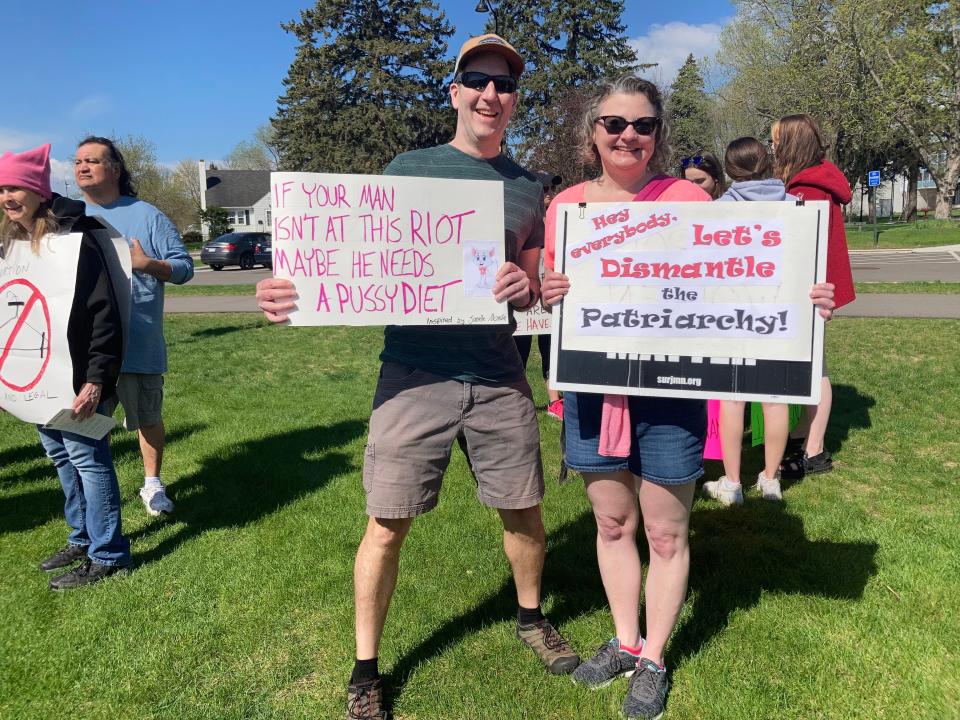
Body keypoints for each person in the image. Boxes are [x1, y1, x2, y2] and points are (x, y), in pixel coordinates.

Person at [256, 34, 580, 720]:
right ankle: (366, 669)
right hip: (414, 375)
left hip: (497, 374)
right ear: (456, 91)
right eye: (478, 80)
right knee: (386, 524)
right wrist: (289, 292)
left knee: (523, 510)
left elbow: (534, 287)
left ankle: (529, 618)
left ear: (515, 101)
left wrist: (528, 284)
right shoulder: (409, 167)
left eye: (505, 85)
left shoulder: (528, 186)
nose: (492, 94)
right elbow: (356, 255)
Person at [540, 78, 836, 720]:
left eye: (643, 125)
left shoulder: (685, 200)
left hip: (672, 392)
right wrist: (549, 290)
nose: (627, 136)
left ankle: (654, 656)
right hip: (595, 389)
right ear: (592, 132)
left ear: (658, 135)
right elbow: (550, 294)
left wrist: (804, 301)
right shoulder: (566, 205)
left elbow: (742, 274)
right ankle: (623, 639)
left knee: (667, 533)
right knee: (613, 524)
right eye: (614, 123)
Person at [0, 144, 131, 589]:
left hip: (78, 377)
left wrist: (96, 380)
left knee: (88, 459)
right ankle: (81, 537)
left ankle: (108, 554)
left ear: (38, 189)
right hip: (36, 377)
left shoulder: (77, 235)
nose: (6, 196)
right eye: (0, 188)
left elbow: (104, 315)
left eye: (14, 186)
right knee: (59, 455)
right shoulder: (13, 241)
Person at [74, 136, 194, 516]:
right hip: (87, 347)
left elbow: (184, 268)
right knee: (90, 426)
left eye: (92, 160)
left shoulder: (147, 215)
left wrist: (148, 265)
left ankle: (152, 485)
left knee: (147, 418)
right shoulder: (69, 217)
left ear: (115, 168)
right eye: (77, 161)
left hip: (138, 342)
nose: (82, 167)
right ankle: (98, 493)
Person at [702, 136, 797, 506]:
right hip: (779, 314)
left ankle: (732, 482)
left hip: (731, 315)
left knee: (732, 398)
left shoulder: (719, 209)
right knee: (775, 398)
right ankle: (771, 480)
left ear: (729, 170)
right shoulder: (795, 206)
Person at [770, 114, 855, 479]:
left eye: (776, 141)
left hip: (811, 292)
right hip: (814, 288)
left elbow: (805, 247)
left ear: (790, 144)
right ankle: (804, 435)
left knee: (815, 368)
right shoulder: (813, 183)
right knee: (809, 365)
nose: (772, 147)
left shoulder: (808, 189)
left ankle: (815, 451)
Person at [514, 171, 563, 419]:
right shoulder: (521, 218)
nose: (548, 194)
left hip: (548, 303)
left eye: (550, 189)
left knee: (551, 351)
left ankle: (555, 402)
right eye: (544, 189)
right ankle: (517, 403)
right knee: (517, 354)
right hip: (522, 304)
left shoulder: (559, 221)